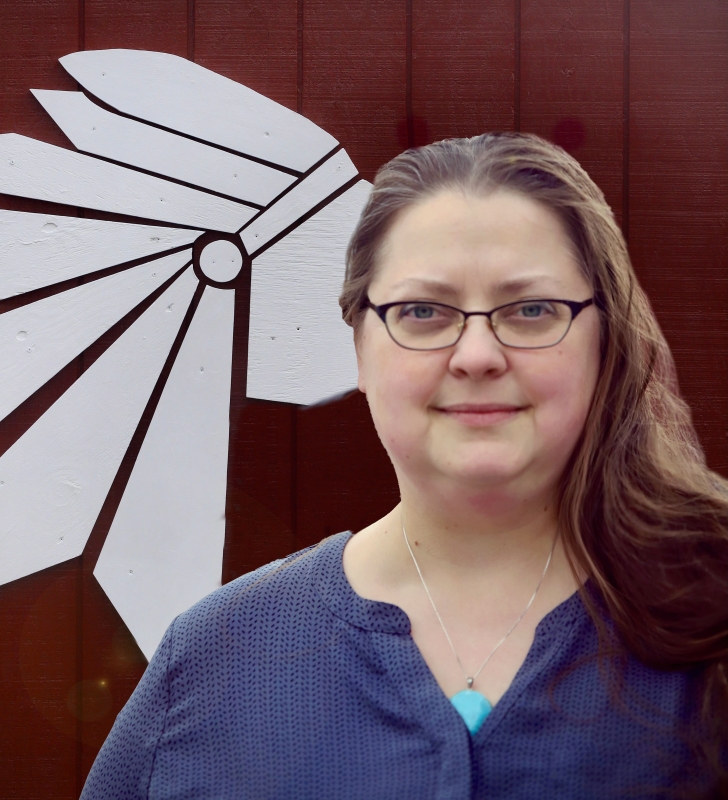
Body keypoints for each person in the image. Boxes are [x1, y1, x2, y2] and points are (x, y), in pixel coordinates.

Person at [80, 133, 727, 799]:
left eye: (532, 310)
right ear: (360, 348)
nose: (477, 354)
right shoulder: (216, 659)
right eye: (423, 311)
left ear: (604, 338)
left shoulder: (714, 617)